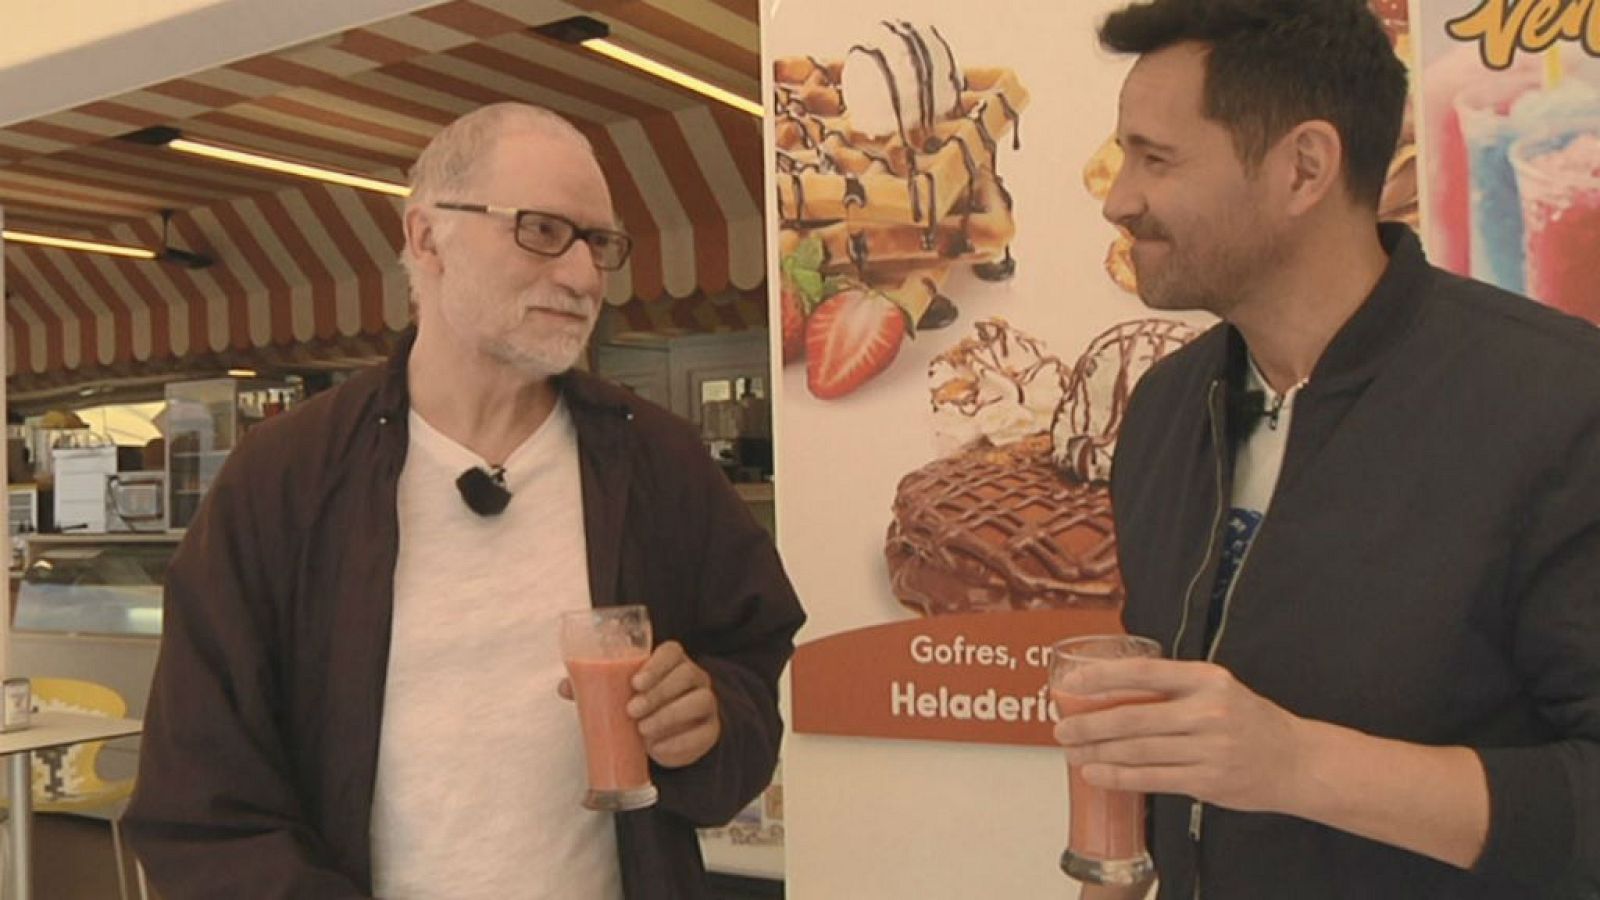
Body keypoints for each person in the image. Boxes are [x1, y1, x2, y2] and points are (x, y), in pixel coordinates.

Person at [123, 102, 805, 899]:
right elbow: (200, 804)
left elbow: (748, 664)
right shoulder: (284, 481)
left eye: (599, 244)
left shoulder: (657, 464)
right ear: (426, 237)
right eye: (542, 230)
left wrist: (710, 720)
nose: (584, 276)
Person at [1054, 2, 1600, 898]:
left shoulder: (1560, 405)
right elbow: (1156, 759)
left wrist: (1297, 763)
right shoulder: (1164, 408)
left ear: (1304, 167)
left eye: (1156, 159)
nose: (1119, 200)